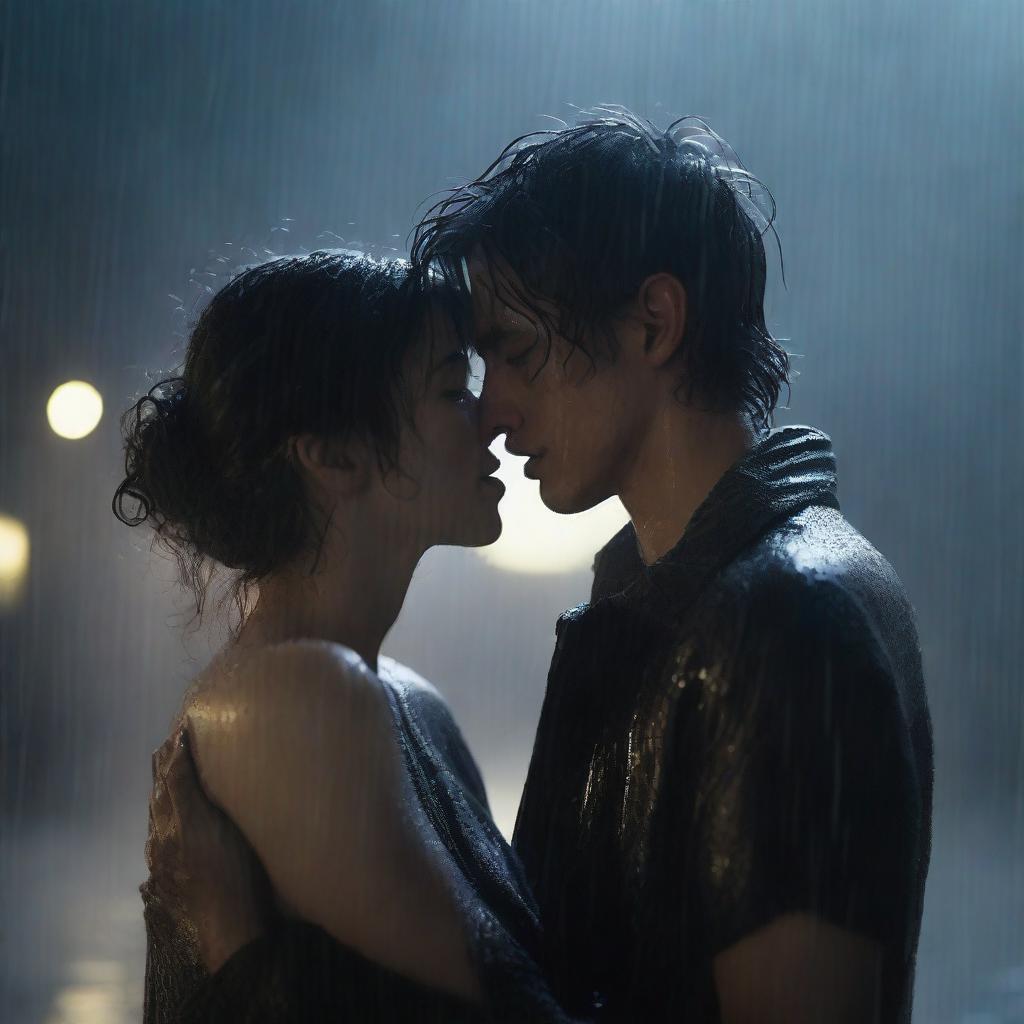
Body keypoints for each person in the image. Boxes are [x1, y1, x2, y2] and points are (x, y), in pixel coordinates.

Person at [156, 107, 933, 1023]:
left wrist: (249, 966)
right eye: (468, 377)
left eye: (514, 354)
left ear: (654, 322)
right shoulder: (657, 609)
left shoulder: (789, 623)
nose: (492, 411)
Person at [115, 250, 577, 1023]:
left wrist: (245, 951)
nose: (492, 417)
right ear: (332, 454)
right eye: (450, 390)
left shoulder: (405, 699)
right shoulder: (295, 700)